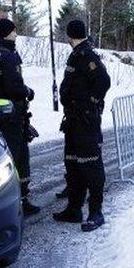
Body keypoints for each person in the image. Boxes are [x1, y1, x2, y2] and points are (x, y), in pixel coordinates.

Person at [53, 20, 111, 232]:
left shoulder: (88, 55)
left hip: (86, 121)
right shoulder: (76, 54)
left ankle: (96, 212)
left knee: (91, 165)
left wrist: (92, 103)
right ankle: (74, 209)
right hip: (73, 120)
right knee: (73, 164)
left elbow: (103, 81)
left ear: (70, 35)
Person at [0, 18, 40, 217]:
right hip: (13, 114)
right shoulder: (9, 56)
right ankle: (18, 201)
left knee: (9, 155)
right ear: (7, 33)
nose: (16, 34)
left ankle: (14, 200)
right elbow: (14, 86)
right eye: (14, 31)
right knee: (19, 157)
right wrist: (28, 91)